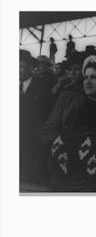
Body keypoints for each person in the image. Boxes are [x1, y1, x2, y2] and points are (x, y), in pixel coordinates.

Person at [48, 55, 96, 191]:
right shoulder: (74, 104)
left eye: (94, 77)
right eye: (86, 77)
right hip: (68, 172)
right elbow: (55, 131)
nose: (88, 82)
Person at [20, 50, 53, 189]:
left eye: (21, 66)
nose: (17, 70)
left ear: (30, 67)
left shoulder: (43, 86)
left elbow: (46, 114)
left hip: (34, 141)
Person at [42, 54, 85, 147]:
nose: (72, 73)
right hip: (63, 141)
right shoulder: (64, 92)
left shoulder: (87, 91)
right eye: (69, 69)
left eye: (76, 69)